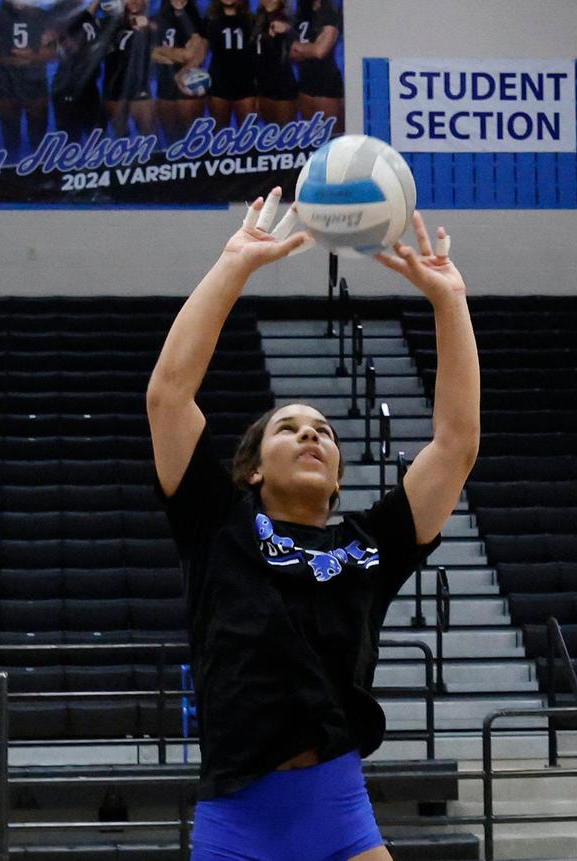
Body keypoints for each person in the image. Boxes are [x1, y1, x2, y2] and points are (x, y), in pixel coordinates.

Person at [146, 187, 479, 861]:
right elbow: (168, 394)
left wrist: (450, 301)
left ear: (336, 476)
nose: (310, 434)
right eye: (288, 427)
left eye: (324, 430)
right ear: (253, 470)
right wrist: (235, 265)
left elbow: (455, 444)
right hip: (236, 820)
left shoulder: (369, 544)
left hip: (338, 815)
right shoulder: (218, 523)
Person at [0, 0, 56, 152]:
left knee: (38, 139)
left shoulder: (44, 16)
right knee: (10, 139)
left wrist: (34, 57)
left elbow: (54, 52)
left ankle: (39, 171)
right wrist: (10, 60)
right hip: (7, 84)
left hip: (35, 83)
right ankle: (12, 172)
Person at [151, 0, 206, 143]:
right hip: (165, 86)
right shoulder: (156, 20)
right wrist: (179, 55)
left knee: (193, 141)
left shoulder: (199, 21)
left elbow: (192, 55)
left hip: (190, 85)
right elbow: (150, 54)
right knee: (171, 141)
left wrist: (162, 51)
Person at [50, 0, 104, 143]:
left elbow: (90, 10)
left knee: (97, 134)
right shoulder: (61, 15)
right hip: (68, 86)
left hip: (89, 85)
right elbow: (68, 45)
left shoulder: (86, 16)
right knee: (71, 138)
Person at [102, 0, 157, 138]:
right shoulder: (108, 23)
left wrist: (148, 26)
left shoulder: (154, 23)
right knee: (120, 137)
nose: (133, 1)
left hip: (140, 87)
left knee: (149, 136)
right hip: (113, 86)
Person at [290, 0, 343, 133]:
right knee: (311, 138)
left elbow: (320, 52)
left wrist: (300, 48)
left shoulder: (330, 11)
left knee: (335, 138)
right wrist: (311, 49)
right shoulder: (301, 13)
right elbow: (288, 51)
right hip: (304, 85)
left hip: (327, 86)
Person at [202, 0, 255, 129]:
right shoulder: (209, 21)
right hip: (218, 85)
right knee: (220, 137)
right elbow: (199, 53)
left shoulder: (252, 21)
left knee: (247, 136)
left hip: (246, 86)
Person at [252, 0, 298, 126]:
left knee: (287, 137)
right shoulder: (258, 18)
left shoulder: (287, 17)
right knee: (270, 136)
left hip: (283, 88)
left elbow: (296, 38)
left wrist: (287, 29)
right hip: (263, 88)